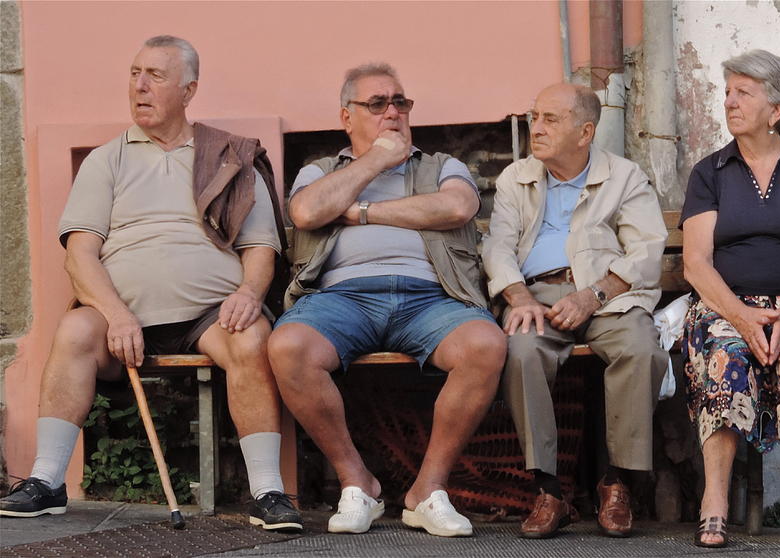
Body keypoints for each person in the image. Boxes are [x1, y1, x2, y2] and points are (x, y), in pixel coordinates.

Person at [0, 35, 302, 531]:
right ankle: (46, 481)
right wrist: (116, 314)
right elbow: (79, 254)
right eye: (135, 74)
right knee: (75, 331)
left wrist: (249, 293)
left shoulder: (230, 156)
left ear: (189, 90)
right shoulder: (107, 159)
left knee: (252, 337)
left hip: (211, 314)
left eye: (155, 76)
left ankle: (267, 491)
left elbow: (261, 249)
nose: (139, 86)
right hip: (118, 314)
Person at [267, 63, 506, 538]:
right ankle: (359, 483)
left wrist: (359, 213)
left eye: (401, 102)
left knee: (486, 345)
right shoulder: (321, 171)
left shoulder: (441, 166)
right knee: (287, 347)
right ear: (347, 117)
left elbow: (455, 207)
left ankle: (427, 491)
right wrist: (376, 160)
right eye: (377, 104)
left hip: (432, 297)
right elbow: (308, 211)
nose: (393, 112)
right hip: (343, 298)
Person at [482, 82, 668, 539]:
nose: (536, 128)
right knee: (521, 352)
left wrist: (594, 296)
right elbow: (497, 247)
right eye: (534, 117)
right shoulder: (515, 178)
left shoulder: (624, 177)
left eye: (550, 119)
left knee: (642, 350)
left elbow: (646, 251)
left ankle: (616, 482)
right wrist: (518, 297)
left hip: (608, 297)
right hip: (538, 297)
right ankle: (548, 491)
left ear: (585, 132)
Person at [680, 50, 780, 551]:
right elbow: (696, 264)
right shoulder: (710, 173)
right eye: (727, 91)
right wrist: (744, 316)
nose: (728, 101)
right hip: (724, 307)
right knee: (727, 353)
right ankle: (715, 501)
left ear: (776, 110)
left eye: (742, 93)